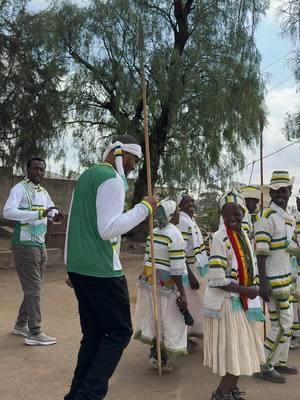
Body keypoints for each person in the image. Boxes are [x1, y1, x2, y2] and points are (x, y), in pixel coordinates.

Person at [64, 135, 157, 400]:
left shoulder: (87, 175)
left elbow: (74, 224)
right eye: (134, 161)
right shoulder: (113, 180)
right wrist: (144, 208)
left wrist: (71, 265)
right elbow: (108, 229)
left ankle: (76, 394)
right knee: (119, 331)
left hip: (80, 268)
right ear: (123, 155)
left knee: (93, 334)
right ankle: (88, 395)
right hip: (103, 270)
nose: (133, 167)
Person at [203, 190, 263, 400]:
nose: (231, 219)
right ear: (222, 215)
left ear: (243, 213)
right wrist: (248, 291)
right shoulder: (219, 238)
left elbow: (250, 266)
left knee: (242, 351)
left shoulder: (243, 234)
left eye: (236, 214)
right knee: (235, 354)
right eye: (226, 214)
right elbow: (217, 280)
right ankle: (221, 394)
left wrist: (253, 288)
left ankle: (230, 392)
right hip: (227, 304)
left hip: (242, 302)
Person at [3, 157, 61, 346]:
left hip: (40, 244)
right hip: (24, 243)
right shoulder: (19, 189)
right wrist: (38, 214)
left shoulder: (43, 192)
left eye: (42, 170)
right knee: (34, 288)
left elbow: (50, 210)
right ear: (26, 169)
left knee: (33, 289)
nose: (39, 173)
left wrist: (54, 214)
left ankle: (21, 325)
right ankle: (35, 332)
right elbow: (8, 212)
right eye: (35, 169)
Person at [134, 199, 188, 372]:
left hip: (149, 282)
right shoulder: (175, 235)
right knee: (170, 320)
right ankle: (164, 358)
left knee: (155, 318)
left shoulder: (153, 232)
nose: (180, 214)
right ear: (172, 215)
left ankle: (154, 356)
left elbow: (147, 259)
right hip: (167, 286)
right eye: (178, 211)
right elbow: (177, 269)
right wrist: (182, 293)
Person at [255, 171, 298, 383]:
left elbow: (288, 247)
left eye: (285, 190)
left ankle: (280, 361)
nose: (282, 194)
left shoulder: (287, 216)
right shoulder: (266, 217)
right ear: (270, 192)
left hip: (286, 277)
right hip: (273, 279)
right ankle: (264, 365)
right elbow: (261, 252)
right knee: (282, 324)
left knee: (284, 323)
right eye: (278, 191)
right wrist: (263, 283)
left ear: (290, 192)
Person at [176, 190, 209, 345]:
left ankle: (189, 336)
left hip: (197, 268)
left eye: (191, 201)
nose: (191, 204)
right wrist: (190, 275)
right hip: (188, 271)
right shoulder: (182, 221)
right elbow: (180, 251)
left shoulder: (190, 219)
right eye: (186, 202)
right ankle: (184, 337)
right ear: (179, 205)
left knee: (196, 304)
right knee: (190, 303)